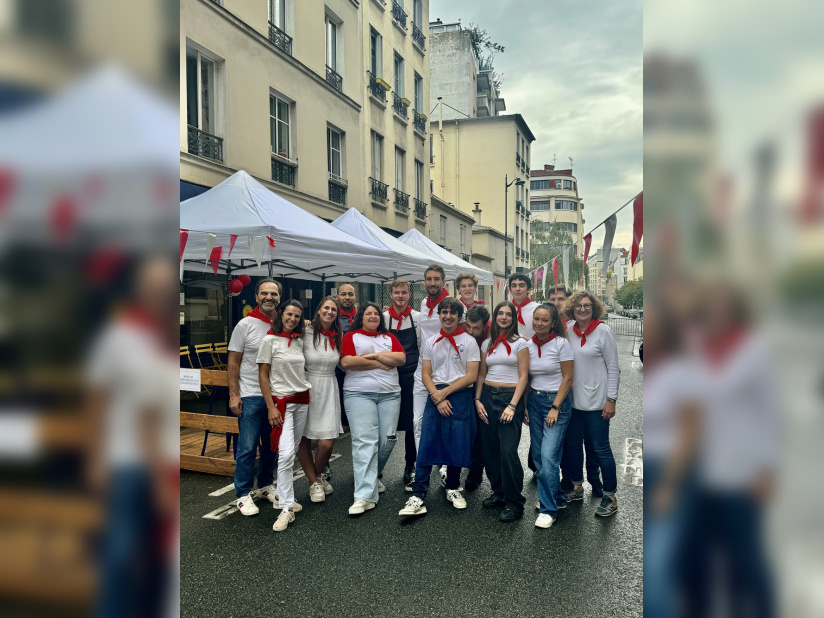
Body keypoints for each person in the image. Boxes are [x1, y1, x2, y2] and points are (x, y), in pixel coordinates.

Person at [400, 298, 480, 517]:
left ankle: (452, 487)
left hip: (460, 395)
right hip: (435, 394)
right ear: (439, 315)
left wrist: (446, 393)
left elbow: (471, 375)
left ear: (459, 316)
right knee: (427, 442)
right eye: (444, 312)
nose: (447, 316)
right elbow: (426, 373)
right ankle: (418, 494)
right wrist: (437, 395)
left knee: (457, 442)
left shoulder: (469, 341)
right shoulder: (431, 341)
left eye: (452, 312)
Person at [340, 302, 406, 515]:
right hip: (358, 394)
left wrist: (375, 355)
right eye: (368, 313)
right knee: (364, 442)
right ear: (361, 317)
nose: (372, 316)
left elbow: (401, 358)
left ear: (381, 318)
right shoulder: (351, 337)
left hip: (390, 395)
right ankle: (364, 496)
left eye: (376, 314)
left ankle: (369, 477)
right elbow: (347, 362)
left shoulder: (389, 338)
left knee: (388, 440)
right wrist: (380, 363)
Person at [560, 290, 621, 517]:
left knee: (601, 449)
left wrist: (611, 400)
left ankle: (610, 495)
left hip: (597, 404)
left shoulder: (603, 331)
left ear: (593, 308)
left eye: (586, 306)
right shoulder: (568, 331)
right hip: (573, 403)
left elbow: (614, 368)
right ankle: (577, 487)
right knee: (573, 447)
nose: (583, 309)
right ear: (572, 309)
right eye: (578, 306)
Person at [227, 278, 282, 516]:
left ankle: (266, 485)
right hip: (250, 394)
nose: (269, 297)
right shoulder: (245, 325)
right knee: (248, 447)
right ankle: (242, 493)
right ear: (257, 297)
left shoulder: (283, 323)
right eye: (265, 293)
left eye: (274, 294)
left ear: (279, 297)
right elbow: (233, 361)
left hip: (277, 396)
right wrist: (233, 394)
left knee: (271, 446)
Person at [256, 300, 312, 532]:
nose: (293, 319)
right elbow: (262, 376)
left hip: (302, 401)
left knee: (294, 448)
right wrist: (271, 407)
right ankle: (286, 507)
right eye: (290, 314)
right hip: (282, 403)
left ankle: (284, 496)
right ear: (282, 315)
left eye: (297, 316)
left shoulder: (299, 340)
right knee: (287, 453)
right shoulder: (268, 340)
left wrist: (308, 324)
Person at [475, 300, 530, 522]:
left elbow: (524, 377)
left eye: (508, 314)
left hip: (509, 399)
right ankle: (499, 493)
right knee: (490, 451)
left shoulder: (520, 344)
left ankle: (515, 503)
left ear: (513, 318)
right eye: (500, 313)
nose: (504, 317)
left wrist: (514, 405)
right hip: (487, 397)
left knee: (508, 452)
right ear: (495, 317)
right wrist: (477, 399)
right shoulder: (487, 344)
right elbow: (480, 374)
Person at [526, 303, 574, 529]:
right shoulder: (528, 345)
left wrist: (555, 406)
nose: (539, 323)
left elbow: (568, 378)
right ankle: (558, 497)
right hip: (534, 401)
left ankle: (548, 509)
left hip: (556, 402)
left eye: (545, 320)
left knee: (548, 455)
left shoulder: (562, 344)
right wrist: (526, 405)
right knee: (538, 455)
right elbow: (526, 376)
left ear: (553, 323)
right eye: (537, 319)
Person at [551, 286, 603, 496]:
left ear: (567, 303)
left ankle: (594, 478)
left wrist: (610, 397)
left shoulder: (584, 327)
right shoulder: (557, 328)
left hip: (590, 393)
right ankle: (572, 479)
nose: (557, 303)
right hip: (566, 393)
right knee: (570, 441)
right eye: (553, 299)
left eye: (561, 299)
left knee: (592, 442)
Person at [297, 297, 343, 503]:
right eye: (326, 307)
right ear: (318, 310)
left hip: (329, 387)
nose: (330, 311)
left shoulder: (339, 335)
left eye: (333, 309)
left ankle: (315, 477)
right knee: (303, 437)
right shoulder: (304, 332)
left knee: (326, 442)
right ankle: (314, 482)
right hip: (306, 386)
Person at [382, 279, 421, 490]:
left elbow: (421, 347)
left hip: (412, 376)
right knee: (386, 424)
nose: (400, 296)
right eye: (396, 292)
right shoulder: (383, 318)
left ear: (408, 295)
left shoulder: (418, 318)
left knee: (411, 423)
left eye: (403, 293)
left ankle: (410, 465)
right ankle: (377, 468)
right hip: (389, 377)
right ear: (391, 295)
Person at [412, 265, 450, 450]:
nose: (432, 283)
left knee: (443, 418)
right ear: (424, 282)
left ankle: (443, 466)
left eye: (436, 279)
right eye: (429, 279)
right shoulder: (423, 303)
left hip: (444, 369)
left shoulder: (451, 304)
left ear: (444, 281)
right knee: (418, 420)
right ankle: (423, 464)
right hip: (422, 367)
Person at [462, 305, 491, 492]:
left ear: (485, 326)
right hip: (465, 383)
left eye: (476, 328)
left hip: (487, 385)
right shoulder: (464, 334)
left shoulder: (491, 336)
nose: (471, 332)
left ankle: (478, 469)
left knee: (483, 430)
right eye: (468, 327)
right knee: (469, 428)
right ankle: (470, 465)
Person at [508, 273, 540, 339]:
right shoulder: (506, 309)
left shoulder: (538, 309)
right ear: (510, 290)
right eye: (514, 286)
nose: (517, 289)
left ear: (528, 289)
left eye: (521, 286)